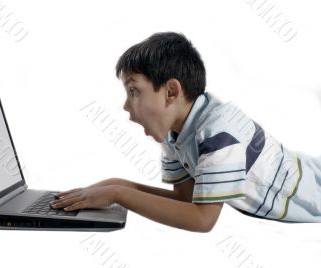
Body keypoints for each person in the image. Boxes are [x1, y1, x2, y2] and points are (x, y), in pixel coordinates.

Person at [50, 32, 321, 232]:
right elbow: (185, 200)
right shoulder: (173, 134)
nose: (125, 105)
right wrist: (117, 185)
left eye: (133, 91)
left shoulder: (219, 132)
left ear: (171, 92)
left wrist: (120, 195)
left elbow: (202, 219)